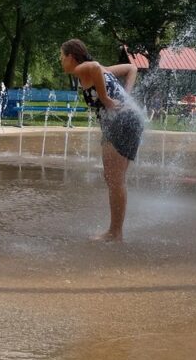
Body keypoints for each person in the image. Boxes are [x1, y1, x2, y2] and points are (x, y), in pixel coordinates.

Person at [60, 38, 143, 241]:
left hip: (121, 122)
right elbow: (132, 68)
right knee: (114, 179)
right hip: (128, 120)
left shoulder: (83, 69)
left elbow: (95, 66)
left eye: (62, 57)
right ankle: (115, 232)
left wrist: (106, 99)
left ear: (71, 57)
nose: (61, 61)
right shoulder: (99, 70)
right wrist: (127, 96)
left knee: (114, 180)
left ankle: (115, 233)